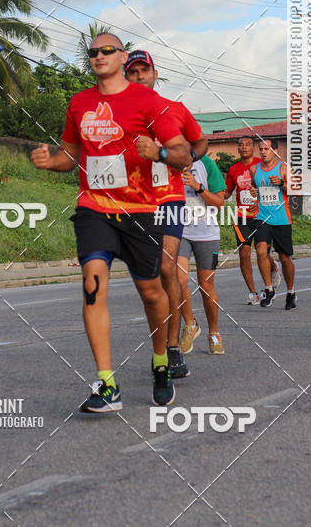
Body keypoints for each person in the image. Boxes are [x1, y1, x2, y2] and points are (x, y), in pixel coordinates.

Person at [31, 33, 192, 412]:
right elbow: (71, 155)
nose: (98, 56)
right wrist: (48, 160)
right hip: (95, 207)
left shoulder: (148, 100)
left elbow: (184, 154)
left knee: (152, 293)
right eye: (93, 52)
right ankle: (107, 384)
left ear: (121, 57)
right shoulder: (80, 102)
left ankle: (160, 362)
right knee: (92, 284)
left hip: (140, 211)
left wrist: (160, 151)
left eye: (107, 50)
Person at [124, 49, 208, 378]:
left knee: (166, 267)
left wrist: (188, 159)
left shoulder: (175, 110)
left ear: (155, 74)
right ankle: (165, 342)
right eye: (133, 72)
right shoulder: (118, 113)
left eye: (145, 70)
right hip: (134, 200)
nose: (140, 76)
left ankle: (172, 348)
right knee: (150, 276)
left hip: (169, 198)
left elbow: (199, 142)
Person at [177, 154, 227, 354]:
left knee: (206, 286)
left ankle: (214, 333)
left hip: (207, 234)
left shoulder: (207, 164)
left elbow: (219, 203)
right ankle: (190, 325)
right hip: (180, 232)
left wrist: (198, 187)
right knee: (179, 279)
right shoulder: (171, 163)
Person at [224, 136, 280, 304]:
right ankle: (253, 293)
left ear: (253, 147)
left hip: (261, 215)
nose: (244, 147)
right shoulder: (233, 169)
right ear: (238, 148)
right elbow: (226, 192)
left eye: (248, 145)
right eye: (240, 145)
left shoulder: (261, 165)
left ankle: (272, 266)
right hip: (241, 216)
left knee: (262, 252)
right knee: (244, 253)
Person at [249, 138, 296, 310]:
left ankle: (291, 292)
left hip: (281, 218)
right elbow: (254, 188)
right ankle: (269, 290)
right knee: (261, 251)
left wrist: (282, 184)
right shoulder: (254, 169)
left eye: (266, 149)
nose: (263, 152)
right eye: (260, 149)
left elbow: (296, 190)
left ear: (275, 151)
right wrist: (253, 192)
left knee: (284, 258)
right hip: (262, 217)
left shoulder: (283, 168)